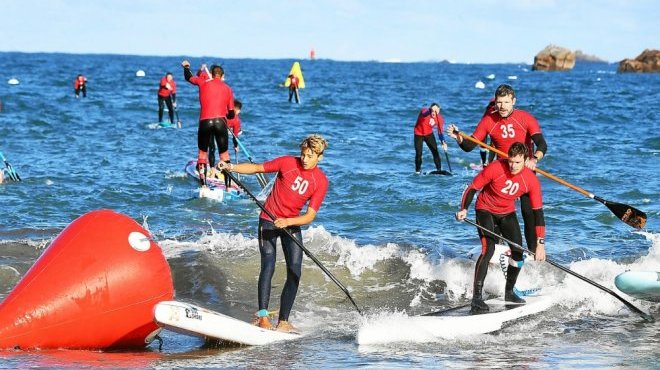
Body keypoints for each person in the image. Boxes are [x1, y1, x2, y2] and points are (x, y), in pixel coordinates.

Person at [217, 134, 329, 332]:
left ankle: (283, 321)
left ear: (319, 157)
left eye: (310, 156)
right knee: (268, 265)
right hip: (268, 220)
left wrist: (288, 221)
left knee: (295, 271)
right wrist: (230, 167)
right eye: (303, 154)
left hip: (291, 223)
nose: (304, 158)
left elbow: (309, 216)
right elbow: (257, 168)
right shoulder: (287, 162)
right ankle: (262, 317)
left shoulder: (320, 181)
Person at [447, 84, 548, 255]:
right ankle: (499, 248)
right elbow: (471, 145)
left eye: (506, 102)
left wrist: (534, 158)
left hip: (524, 172)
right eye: (499, 102)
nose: (502, 106)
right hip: (501, 172)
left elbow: (542, 144)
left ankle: (532, 251)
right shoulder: (489, 121)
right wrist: (459, 138)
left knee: (529, 213)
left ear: (513, 101)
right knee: (496, 210)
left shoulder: (525, 118)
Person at [455, 142, 547, 313]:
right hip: (485, 209)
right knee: (487, 249)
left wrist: (540, 244)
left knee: (518, 252)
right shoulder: (495, 167)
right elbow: (472, 188)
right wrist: (463, 209)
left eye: (517, 162)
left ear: (525, 160)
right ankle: (477, 298)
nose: (512, 166)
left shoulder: (531, 180)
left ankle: (509, 292)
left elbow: (538, 213)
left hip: (506, 213)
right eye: (510, 161)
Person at [182, 60, 235, 186]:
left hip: (205, 122)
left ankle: (204, 185)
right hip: (221, 122)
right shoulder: (228, 89)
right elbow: (232, 114)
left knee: (202, 154)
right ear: (222, 76)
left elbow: (188, 77)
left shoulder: (203, 82)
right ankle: (228, 187)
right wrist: (225, 114)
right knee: (224, 155)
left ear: (211, 73)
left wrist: (186, 67)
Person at [209, 99, 243, 189]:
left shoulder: (236, 121)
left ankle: (215, 171)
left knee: (222, 156)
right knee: (218, 153)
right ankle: (214, 173)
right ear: (237, 110)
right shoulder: (225, 113)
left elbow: (235, 136)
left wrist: (236, 145)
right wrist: (235, 145)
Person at [413, 103, 447, 174]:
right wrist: (431, 110)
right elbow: (424, 113)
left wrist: (443, 142)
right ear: (430, 109)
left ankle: (439, 170)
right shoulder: (425, 111)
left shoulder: (439, 118)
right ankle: (417, 171)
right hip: (418, 134)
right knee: (419, 153)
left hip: (429, 134)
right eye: (433, 111)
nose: (434, 113)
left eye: (436, 111)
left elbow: (440, 132)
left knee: (435, 151)